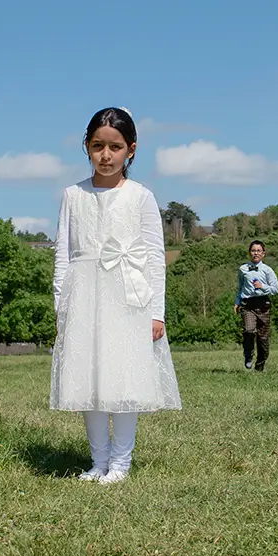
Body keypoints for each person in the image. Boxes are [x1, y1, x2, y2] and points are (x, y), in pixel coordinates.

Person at [50, 107, 181, 484]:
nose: (106, 155)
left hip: (127, 296)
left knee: (123, 379)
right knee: (87, 379)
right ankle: (97, 461)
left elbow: (155, 258)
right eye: (97, 146)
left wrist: (157, 312)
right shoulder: (72, 196)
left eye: (115, 147)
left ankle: (121, 463)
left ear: (131, 150)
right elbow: (63, 254)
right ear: (86, 147)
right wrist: (61, 306)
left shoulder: (141, 197)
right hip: (83, 295)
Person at [234, 240, 278, 370]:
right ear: (249, 253)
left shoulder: (268, 271)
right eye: (253, 250)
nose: (256, 253)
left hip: (263, 305)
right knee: (248, 330)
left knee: (263, 339)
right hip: (247, 304)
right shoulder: (243, 269)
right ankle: (248, 354)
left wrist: (262, 286)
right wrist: (237, 302)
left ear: (263, 254)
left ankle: (260, 365)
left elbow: (275, 289)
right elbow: (240, 287)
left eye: (258, 251)